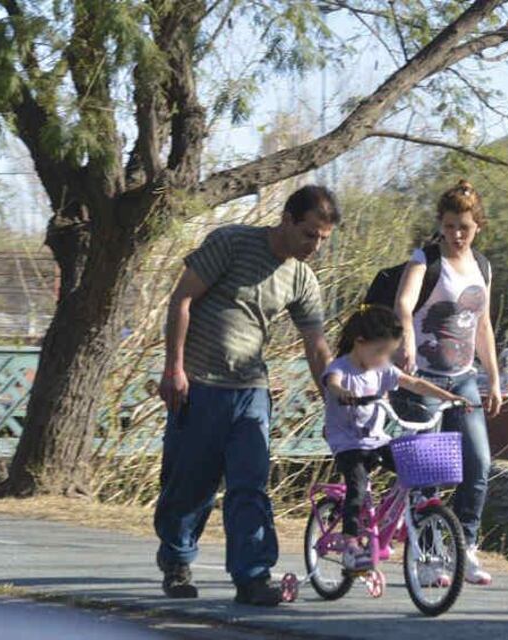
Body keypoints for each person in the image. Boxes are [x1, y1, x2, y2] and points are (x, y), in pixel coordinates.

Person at [154, 185, 339, 606]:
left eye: (323, 239)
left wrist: (335, 398)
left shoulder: (301, 277)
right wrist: (174, 368)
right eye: (310, 234)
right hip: (199, 385)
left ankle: (253, 576)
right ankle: (178, 561)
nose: (315, 246)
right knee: (190, 485)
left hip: (251, 390)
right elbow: (182, 299)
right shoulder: (231, 243)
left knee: (249, 486)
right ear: (288, 220)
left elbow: (315, 343)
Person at [394, 179, 502, 586]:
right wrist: (406, 342)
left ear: (478, 228)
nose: (457, 234)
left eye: (466, 227)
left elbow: (483, 326)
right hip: (423, 379)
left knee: (479, 464)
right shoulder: (426, 258)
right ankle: (428, 556)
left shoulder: (483, 267)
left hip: (464, 380)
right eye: (451, 225)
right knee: (430, 473)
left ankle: (467, 547)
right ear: (440, 222)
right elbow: (403, 306)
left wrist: (493, 379)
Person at [322, 305, 464, 571]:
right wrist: (341, 393)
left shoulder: (382, 369)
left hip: (376, 439)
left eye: (388, 353)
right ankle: (351, 543)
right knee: (358, 485)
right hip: (348, 443)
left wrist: (450, 398)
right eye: (380, 352)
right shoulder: (340, 368)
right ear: (359, 342)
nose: (384, 358)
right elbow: (333, 381)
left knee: (411, 465)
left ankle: (404, 512)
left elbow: (414, 383)